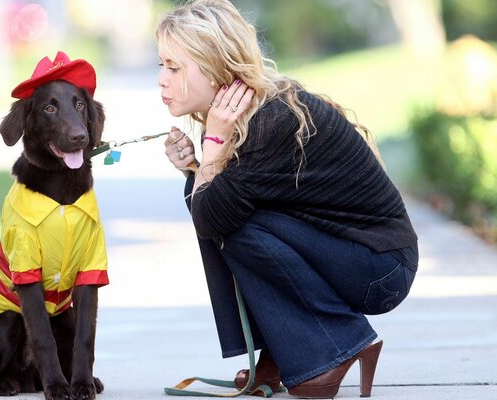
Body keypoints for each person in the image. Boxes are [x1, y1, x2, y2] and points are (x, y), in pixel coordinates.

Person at [157, 0, 418, 398]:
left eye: (174, 67)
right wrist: (196, 168)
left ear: (215, 67)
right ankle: (283, 353)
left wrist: (211, 149)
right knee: (227, 211)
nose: (162, 79)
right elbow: (213, 207)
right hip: (353, 257)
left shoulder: (273, 121)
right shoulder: (253, 114)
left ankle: (333, 346)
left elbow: (213, 219)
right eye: (162, 65)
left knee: (235, 224)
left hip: (380, 269)